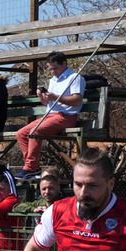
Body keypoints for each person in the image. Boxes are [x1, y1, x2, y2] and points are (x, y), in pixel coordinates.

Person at [16, 51, 84, 179]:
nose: (52, 72)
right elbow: (48, 102)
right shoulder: (53, 80)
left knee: (36, 131)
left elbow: (77, 100)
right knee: (21, 133)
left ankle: (30, 167)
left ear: (64, 64)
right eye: (50, 69)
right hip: (50, 115)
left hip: (66, 116)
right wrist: (42, 96)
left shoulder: (75, 78)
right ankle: (32, 167)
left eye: (55, 68)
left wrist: (56, 97)